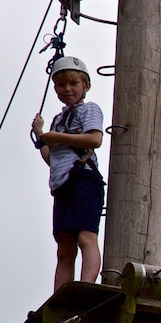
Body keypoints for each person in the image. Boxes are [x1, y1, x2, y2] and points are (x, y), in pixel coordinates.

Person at [31, 56, 106, 292]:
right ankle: (60, 297)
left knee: (85, 237)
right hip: (62, 184)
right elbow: (53, 159)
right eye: (62, 85)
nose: (67, 89)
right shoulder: (58, 120)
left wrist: (55, 137)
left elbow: (95, 139)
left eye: (73, 83)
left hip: (84, 179)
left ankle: (85, 288)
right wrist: (41, 135)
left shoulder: (89, 110)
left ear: (85, 85)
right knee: (64, 247)